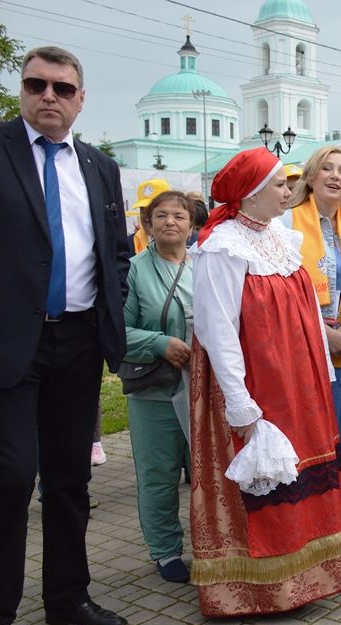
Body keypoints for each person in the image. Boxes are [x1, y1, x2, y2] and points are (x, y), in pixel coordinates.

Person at [0, 45, 131, 625]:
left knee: (71, 478)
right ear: (21, 90)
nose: (49, 96)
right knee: (11, 479)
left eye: (63, 88)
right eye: (36, 85)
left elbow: (116, 252)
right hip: (8, 345)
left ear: (81, 98)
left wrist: (111, 310)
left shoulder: (99, 165)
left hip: (77, 342)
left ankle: (68, 596)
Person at [189, 147, 341, 616]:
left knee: (298, 469)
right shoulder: (222, 246)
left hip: (296, 381)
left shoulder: (279, 236)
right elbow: (216, 328)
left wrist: (319, 364)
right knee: (262, 473)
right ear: (252, 194)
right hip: (254, 382)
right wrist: (239, 401)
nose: (289, 190)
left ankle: (305, 578)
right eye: (280, 184)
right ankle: (258, 591)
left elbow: (303, 311)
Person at [286, 146, 341, 516]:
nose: (336, 176)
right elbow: (281, 290)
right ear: (310, 175)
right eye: (327, 168)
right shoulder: (285, 226)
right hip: (301, 347)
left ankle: (338, 507)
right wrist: (322, 333)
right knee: (308, 429)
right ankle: (310, 511)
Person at [123, 190, 195, 582]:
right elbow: (117, 330)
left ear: (192, 224)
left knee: (205, 472)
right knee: (159, 473)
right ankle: (166, 551)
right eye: (161, 215)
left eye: (179, 216)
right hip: (156, 390)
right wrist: (158, 343)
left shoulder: (205, 264)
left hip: (203, 390)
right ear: (147, 224)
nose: (170, 222)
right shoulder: (134, 269)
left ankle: (210, 542)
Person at [130, 178, 171, 254]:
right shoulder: (129, 243)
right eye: (142, 209)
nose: (146, 216)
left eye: (152, 209)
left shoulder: (186, 242)